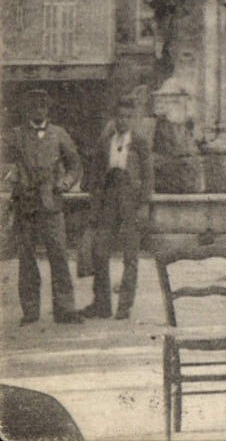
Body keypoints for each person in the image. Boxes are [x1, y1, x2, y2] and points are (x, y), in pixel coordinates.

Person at [5, 90, 83, 325]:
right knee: (27, 258)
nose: (38, 110)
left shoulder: (59, 134)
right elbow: (4, 162)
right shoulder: (16, 135)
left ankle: (65, 309)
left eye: (42, 105)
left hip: (51, 203)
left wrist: (66, 182)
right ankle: (30, 311)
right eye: (34, 106)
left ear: (48, 109)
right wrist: (13, 175)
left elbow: (75, 164)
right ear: (28, 110)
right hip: (26, 204)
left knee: (59, 255)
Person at [84, 96, 154, 320]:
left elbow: (148, 176)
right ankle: (102, 304)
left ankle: (124, 306)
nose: (123, 120)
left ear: (133, 118)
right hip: (108, 199)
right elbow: (96, 173)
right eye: (120, 116)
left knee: (130, 255)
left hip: (131, 200)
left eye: (127, 116)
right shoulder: (106, 141)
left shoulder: (140, 141)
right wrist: (95, 203)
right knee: (99, 251)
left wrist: (143, 204)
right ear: (114, 119)